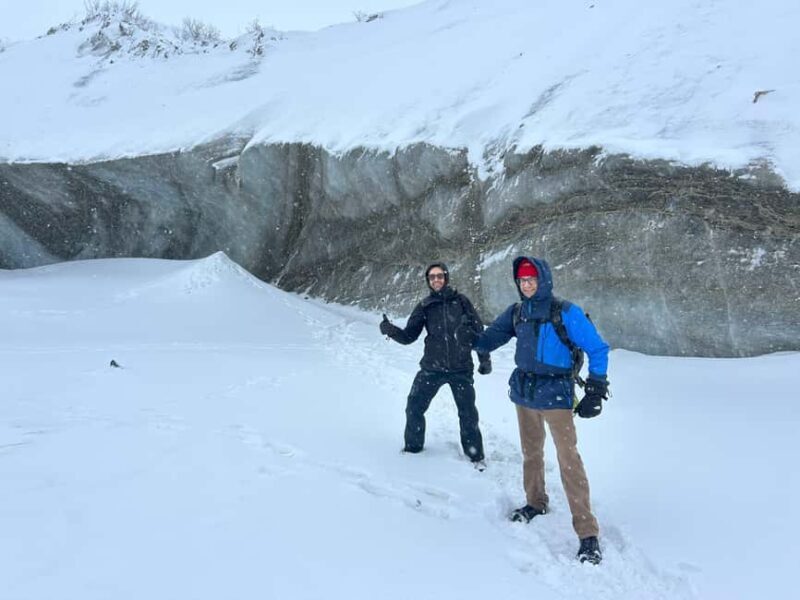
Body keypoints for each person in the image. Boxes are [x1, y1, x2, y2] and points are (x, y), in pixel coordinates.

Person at [468, 256, 609, 565]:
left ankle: (587, 533)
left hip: (557, 396)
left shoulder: (565, 312)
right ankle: (535, 502)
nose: (527, 285)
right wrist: (470, 339)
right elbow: (492, 337)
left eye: (531, 279)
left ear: (543, 280)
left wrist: (596, 387)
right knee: (531, 453)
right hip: (525, 394)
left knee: (568, 460)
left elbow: (598, 348)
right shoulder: (517, 312)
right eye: (522, 280)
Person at [380, 262, 492, 468]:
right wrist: (391, 330)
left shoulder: (462, 302)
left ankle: (475, 456)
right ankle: (413, 449)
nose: (436, 280)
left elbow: (478, 332)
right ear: (428, 281)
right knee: (414, 406)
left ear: (446, 277)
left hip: (461, 368)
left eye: (440, 276)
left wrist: (484, 360)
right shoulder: (425, 306)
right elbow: (409, 336)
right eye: (432, 277)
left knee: (468, 413)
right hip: (432, 368)